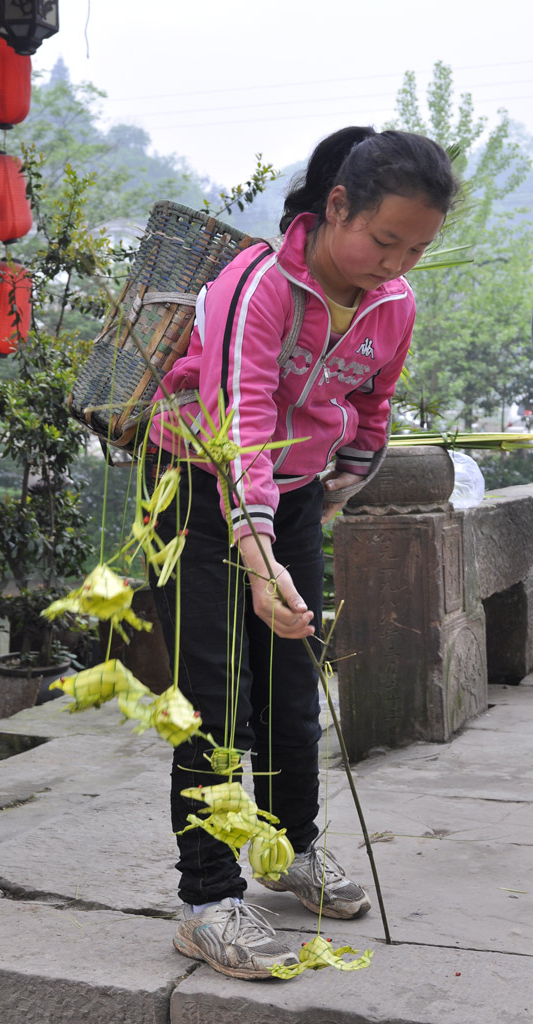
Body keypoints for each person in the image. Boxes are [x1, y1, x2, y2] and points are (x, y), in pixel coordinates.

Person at [147, 126, 460, 980]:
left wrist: (328, 495)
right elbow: (235, 428)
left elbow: (371, 406)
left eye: (418, 248)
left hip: (289, 496)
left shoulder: (392, 303)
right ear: (336, 207)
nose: (395, 262)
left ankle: (288, 851)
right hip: (193, 486)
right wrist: (257, 558)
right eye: (384, 238)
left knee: (292, 687)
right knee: (210, 697)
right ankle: (207, 900)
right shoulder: (257, 288)